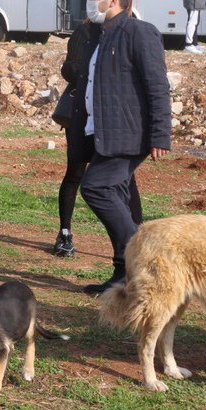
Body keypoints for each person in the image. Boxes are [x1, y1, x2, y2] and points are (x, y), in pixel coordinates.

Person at [79, 0, 171, 296]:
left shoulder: (139, 32)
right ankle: (123, 274)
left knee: (96, 187)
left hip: (128, 134)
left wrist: (161, 135)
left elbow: (158, 86)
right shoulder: (100, 33)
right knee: (116, 194)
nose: (89, 2)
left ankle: (145, 260)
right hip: (103, 132)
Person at [53, 15, 143, 258]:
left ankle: (138, 237)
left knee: (126, 178)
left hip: (113, 118)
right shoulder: (85, 31)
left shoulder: (132, 30)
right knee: (75, 173)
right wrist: (93, 72)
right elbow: (68, 69)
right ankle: (65, 233)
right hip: (82, 115)